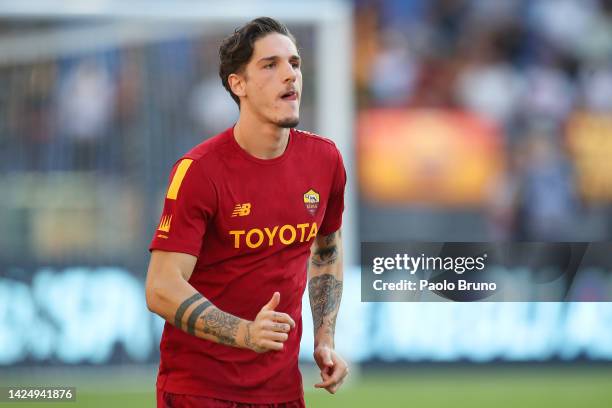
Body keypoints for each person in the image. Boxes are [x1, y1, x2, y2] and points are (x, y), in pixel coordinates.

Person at [145, 17, 348, 408]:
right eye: (270, 65)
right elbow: (160, 288)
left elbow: (326, 251)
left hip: (283, 391)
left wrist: (324, 340)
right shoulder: (200, 171)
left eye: (294, 63)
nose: (289, 75)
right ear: (238, 85)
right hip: (200, 392)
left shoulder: (325, 160)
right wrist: (244, 334)